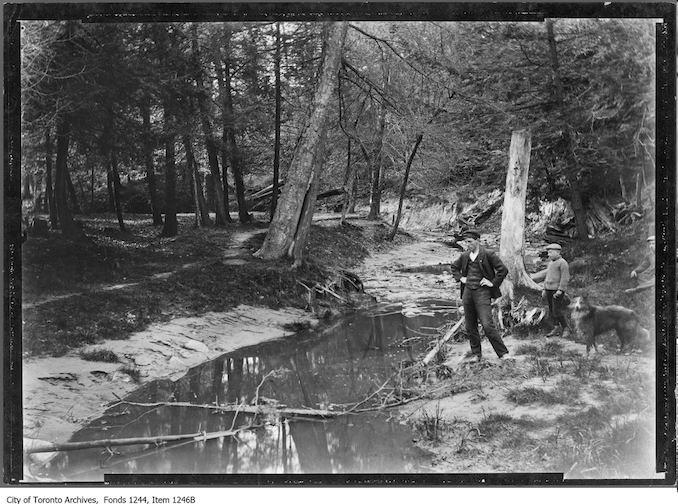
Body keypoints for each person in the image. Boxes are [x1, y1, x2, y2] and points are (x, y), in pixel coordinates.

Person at [450, 229, 510, 363]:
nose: (467, 245)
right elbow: (454, 267)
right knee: (470, 326)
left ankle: (503, 353)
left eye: (470, 242)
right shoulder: (465, 256)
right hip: (467, 293)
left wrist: (492, 283)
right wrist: (461, 278)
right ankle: (476, 354)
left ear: (477, 241)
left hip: (482, 293)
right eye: (465, 242)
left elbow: (503, 270)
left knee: (487, 324)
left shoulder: (488, 254)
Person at [531, 243, 570, 337]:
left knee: (557, 310)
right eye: (548, 252)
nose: (549, 254)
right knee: (551, 310)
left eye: (551, 252)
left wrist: (560, 290)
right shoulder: (551, 263)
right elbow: (548, 277)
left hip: (556, 291)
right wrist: (544, 288)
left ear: (557, 252)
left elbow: (565, 278)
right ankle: (555, 327)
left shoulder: (562, 263)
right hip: (548, 290)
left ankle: (566, 328)